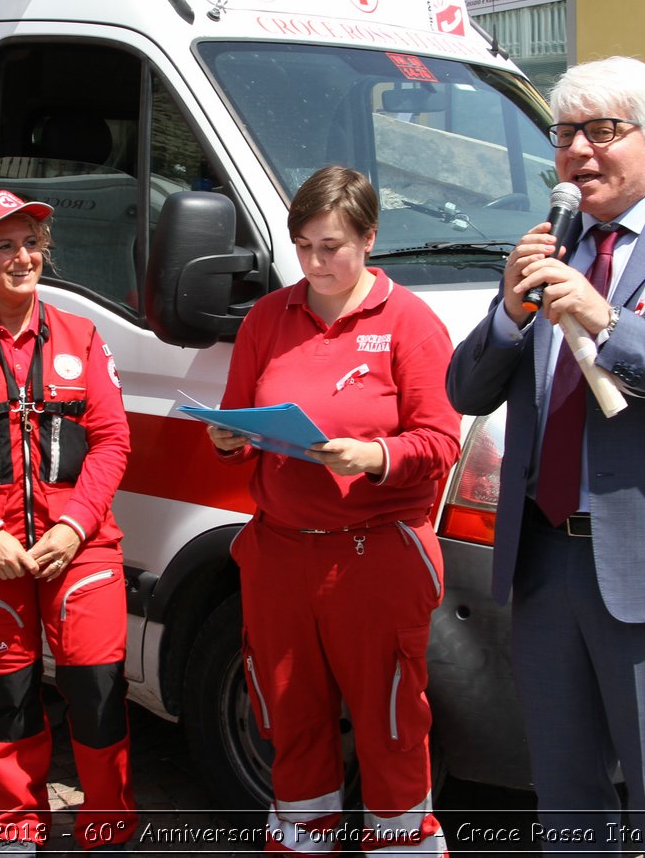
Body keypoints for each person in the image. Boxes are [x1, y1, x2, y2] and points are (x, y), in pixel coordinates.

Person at [446, 57, 645, 854]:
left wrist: (613, 324)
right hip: (546, 561)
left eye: (602, 131)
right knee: (565, 799)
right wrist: (509, 313)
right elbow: (465, 387)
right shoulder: (546, 244)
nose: (579, 152)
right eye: (565, 134)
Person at [205, 166, 461, 855]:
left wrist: (374, 458)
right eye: (304, 246)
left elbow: (440, 441)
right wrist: (228, 437)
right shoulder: (269, 317)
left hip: (374, 550)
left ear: (369, 239)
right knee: (288, 715)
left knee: (390, 722)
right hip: (280, 551)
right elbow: (238, 417)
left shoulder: (409, 322)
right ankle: (301, 842)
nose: (316, 263)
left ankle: (403, 846)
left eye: (333, 246)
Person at [0, 189, 136, 854]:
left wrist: (73, 527)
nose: (23, 256)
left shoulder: (83, 335)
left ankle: (109, 824)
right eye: (4, 245)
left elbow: (113, 439)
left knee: (97, 693)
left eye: (31, 242)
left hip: (83, 549)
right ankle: (17, 826)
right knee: (8, 694)